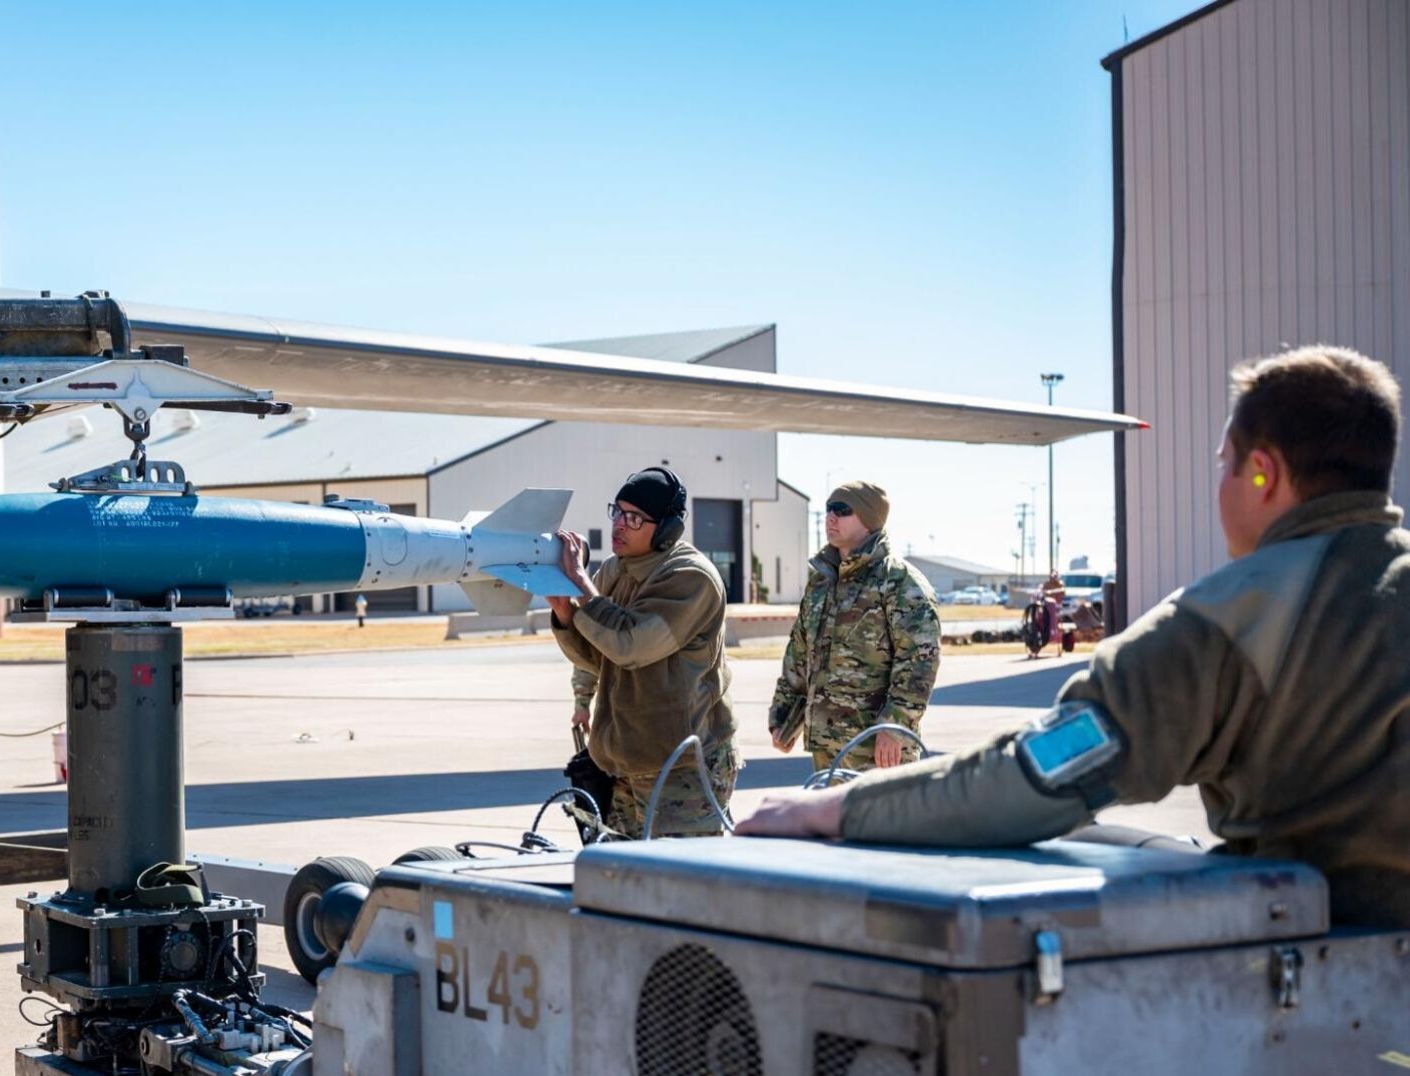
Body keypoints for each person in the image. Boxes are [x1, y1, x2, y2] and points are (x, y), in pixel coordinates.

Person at [737, 345, 1410, 928]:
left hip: (1332, 987)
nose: (1221, 484)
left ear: (1262, 474)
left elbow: (1040, 773)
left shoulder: (1238, 616)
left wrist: (837, 808)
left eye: (1225, 464)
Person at [549, 467, 736, 837]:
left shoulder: (690, 576)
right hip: (626, 766)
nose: (620, 523)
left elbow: (631, 644)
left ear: (666, 529)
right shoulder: (614, 572)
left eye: (634, 518)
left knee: (680, 883)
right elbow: (599, 656)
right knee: (625, 880)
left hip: (683, 766)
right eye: (617, 511)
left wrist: (584, 590)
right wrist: (566, 614)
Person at [768, 481, 941, 773]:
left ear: (869, 520)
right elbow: (800, 650)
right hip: (827, 746)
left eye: (842, 510)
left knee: (880, 820)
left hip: (878, 750)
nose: (831, 517)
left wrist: (894, 726)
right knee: (833, 820)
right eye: (829, 509)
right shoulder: (822, 581)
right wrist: (784, 716)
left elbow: (919, 661)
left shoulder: (898, 580)